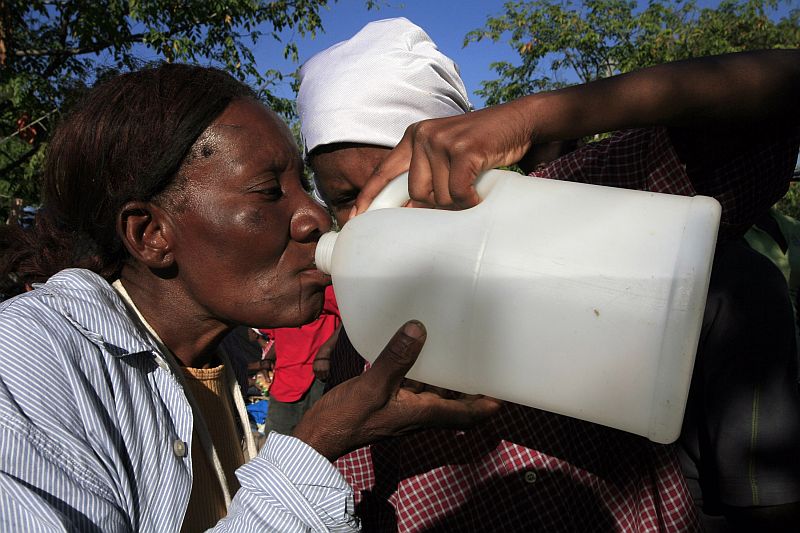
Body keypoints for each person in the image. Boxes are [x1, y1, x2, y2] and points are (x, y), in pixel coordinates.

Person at [299, 18, 800, 532]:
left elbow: (785, 84)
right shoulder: (360, 352)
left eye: (402, 183)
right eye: (346, 199)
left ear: (461, 157)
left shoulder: (580, 202)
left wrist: (531, 117)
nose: (373, 219)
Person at [0, 63, 501, 531]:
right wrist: (316, 444)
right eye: (268, 191)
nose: (316, 218)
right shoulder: (26, 364)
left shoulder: (224, 352)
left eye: (303, 186)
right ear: (151, 234)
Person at [261, 285, 341, 435]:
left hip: (318, 377)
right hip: (285, 379)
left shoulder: (321, 288)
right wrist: (269, 358)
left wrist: (326, 351)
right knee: (276, 443)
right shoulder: (276, 292)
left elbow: (350, 318)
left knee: (315, 440)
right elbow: (279, 334)